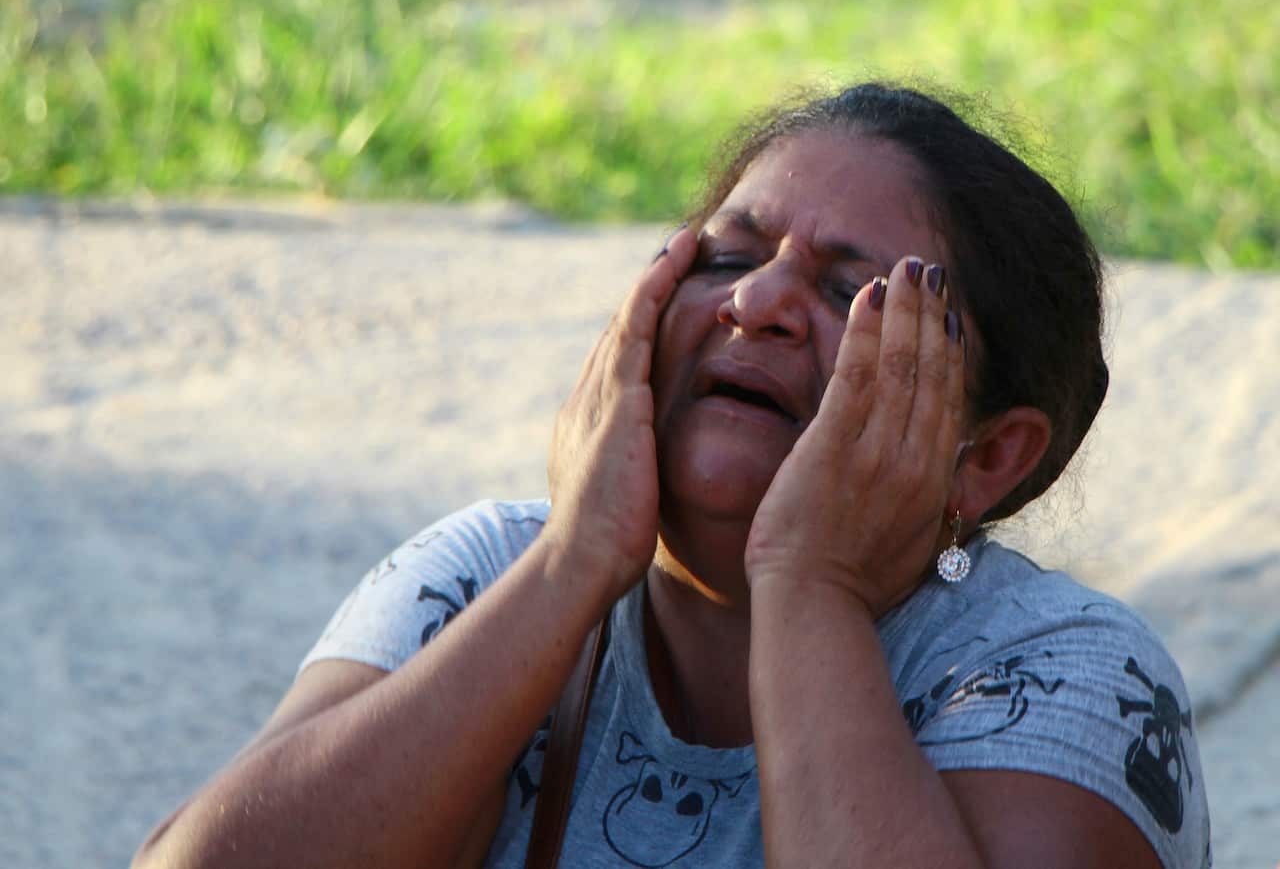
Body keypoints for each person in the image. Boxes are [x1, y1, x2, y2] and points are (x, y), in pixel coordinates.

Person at [133, 82, 1211, 869]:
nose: (756, 304)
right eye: (730, 257)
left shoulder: (1064, 670)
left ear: (985, 457)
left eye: (852, 294)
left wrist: (808, 584)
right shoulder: (488, 568)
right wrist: (567, 569)